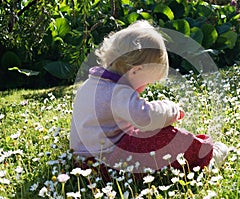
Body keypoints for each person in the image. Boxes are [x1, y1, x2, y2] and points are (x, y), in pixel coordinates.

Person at [70, 20, 228, 175]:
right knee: (167, 137)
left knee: (145, 136)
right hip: (110, 162)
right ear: (135, 70)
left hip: (82, 164)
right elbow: (146, 117)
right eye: (147, 82)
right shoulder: (118, 92)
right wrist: (170, 109)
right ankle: (206, 156)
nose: (144, 88)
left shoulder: (89, 86)